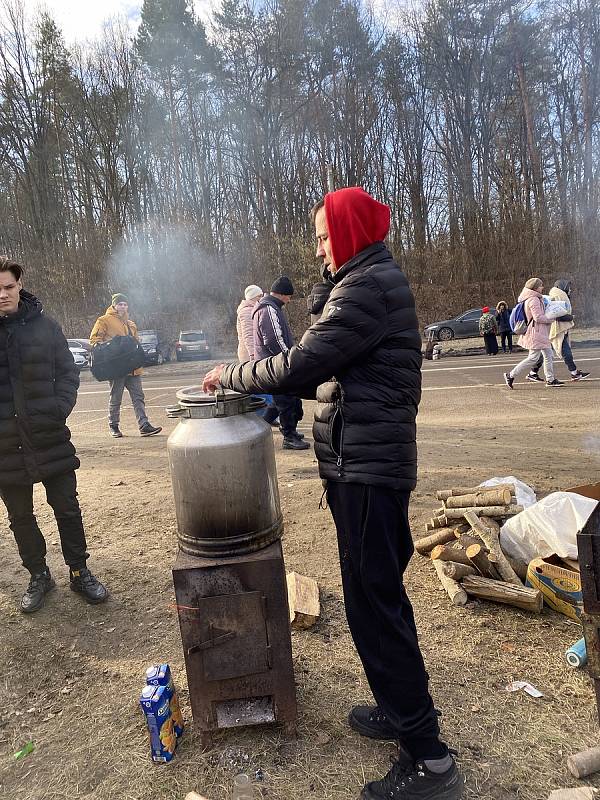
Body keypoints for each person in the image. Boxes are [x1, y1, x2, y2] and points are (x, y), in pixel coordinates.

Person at [203, 187, 463, 800]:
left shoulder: (368, 288)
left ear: (348, 233)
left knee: (377, 603)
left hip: (369, 470)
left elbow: (301, 365)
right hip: (359, 465)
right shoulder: (360, 281)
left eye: (325, 236)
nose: (319, 248)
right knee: (369, 596)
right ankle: (397, 713)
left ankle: (429, 759)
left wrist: (229, 375)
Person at [0, 257, 108, 613]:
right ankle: (39, 575)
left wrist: (58, 408)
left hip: (49, 437)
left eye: (8, 287)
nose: (2, 295)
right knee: (21, 518)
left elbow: (68, 371)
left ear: (20, 285)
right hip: (5, 447)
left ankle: (79, 572)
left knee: (66, 508)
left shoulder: (46, 326)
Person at [90, 294, 162, 438]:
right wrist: (111, 349)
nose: (123, 307)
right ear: (114, 305)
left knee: (138, 397)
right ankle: (114, 426)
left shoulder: (131, 324)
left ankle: (144, 425)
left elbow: (136, 344)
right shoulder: (103, 320)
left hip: (133, 368)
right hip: (116, 368)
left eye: (125, 304)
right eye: (120, 304)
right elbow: (94, 340)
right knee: (116, 397)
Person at [251, 277, 309, 450]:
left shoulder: (270, 307)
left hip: (271, 362)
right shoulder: (268, 309)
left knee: (279, 401)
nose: (289, 300)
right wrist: (288, 358)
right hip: (275, 364)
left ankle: (261, 426)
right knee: (286, 400)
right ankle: (289, 437)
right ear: (282, 294)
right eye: (289, 296)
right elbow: (274, 339)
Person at [503, 277, 563, 388]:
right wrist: (552, 319)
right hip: (536, 332)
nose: (542, 287)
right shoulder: (533, 299)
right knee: (534, 358)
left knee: (548, 355)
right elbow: (538, 317)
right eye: (541, 285)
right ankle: (510, 375)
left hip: (539, 332)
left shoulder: (533, 298)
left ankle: (550, 379)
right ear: (535, 287)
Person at [526, 279, 589, 383]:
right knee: (564, 350)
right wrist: (570, 317)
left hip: (554, 328)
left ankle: (533, 373)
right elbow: (556, 314)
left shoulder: (557, 296)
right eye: (568, 287)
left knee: (544, 352)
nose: (570, 290)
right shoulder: (556, 297)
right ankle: (574, 373)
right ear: (562, 287)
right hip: (555, 328)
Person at [236, 284, 262, 361]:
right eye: (259, 296)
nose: (261, 298)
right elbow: (249, 335)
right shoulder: (246, 311)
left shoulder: (252, 309)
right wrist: (253, 355)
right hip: (248, 355)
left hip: (252, 352)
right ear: (252, 297)